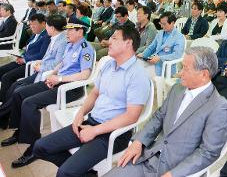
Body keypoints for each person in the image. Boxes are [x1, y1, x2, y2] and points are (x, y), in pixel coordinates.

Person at [33, 25, 151, 177]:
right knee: (40, 147)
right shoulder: (109, 65)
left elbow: (131, 117)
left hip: (113, 134)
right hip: (91, 122)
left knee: (64, 173)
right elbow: (94, 94)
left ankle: (74, 171)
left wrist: (95, 131)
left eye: (114, 38)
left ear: (128, 43)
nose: (109, 42)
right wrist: (80, 114)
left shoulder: (137, 75)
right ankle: (87, 173)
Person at [104, 47, 227, 177]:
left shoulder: (218, 106)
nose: (180, 73)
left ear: (204, 74)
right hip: (149, 158)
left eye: (185, 68)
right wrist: (139, 141)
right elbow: (159, 117)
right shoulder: (178, 89)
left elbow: (208, 153)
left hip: (177, 169)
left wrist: (173, 174)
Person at [1, 20, 95, 168]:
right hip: (56, 81)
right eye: (67, 30)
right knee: (19, 93)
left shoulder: (86, 48)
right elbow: (62, 64)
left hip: (70, 88)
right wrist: (51, 75)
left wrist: (60, 79)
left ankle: (33, 149)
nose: (67, 33)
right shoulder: (70, 45)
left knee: (29, 103)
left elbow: (85, 75)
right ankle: (19, 132)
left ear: (80, 31)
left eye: (71, 30)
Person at [0, 15, 67, 128]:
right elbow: (48, 57)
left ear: (51, 28)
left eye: (46, 25)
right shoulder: (55, 37)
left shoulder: (62, 41)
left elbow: (58, 63)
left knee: (19, 90)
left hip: (46, 74)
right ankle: (5, 116)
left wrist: (41, 67)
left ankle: (4, 116)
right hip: (40, 69)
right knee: (16, 86)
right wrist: (40, 63)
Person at [0, 13, 50, 103]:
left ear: (43, 23)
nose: (32, 27)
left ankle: (5, 102)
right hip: (23, 60)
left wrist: (24, 59)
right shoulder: (35, 34)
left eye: (34, 24)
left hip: (30, 64)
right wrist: (21, 56)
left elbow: (42, 55)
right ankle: (4, 96)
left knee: (7, 77)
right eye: (30, 24)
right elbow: (29, 48)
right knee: (1, 70)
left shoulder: (46, 36)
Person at [138, 12, 185, 77]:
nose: (161, 26)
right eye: (161, 23)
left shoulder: (179, 37)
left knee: (142, 74)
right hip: (153, 61)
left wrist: (160, 58)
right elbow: (152, 47)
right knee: (136, 66)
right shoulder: (160, 33)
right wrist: (143, 54)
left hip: (165, 66)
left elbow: (177, 55)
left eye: (164, 24)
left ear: (172, 23)